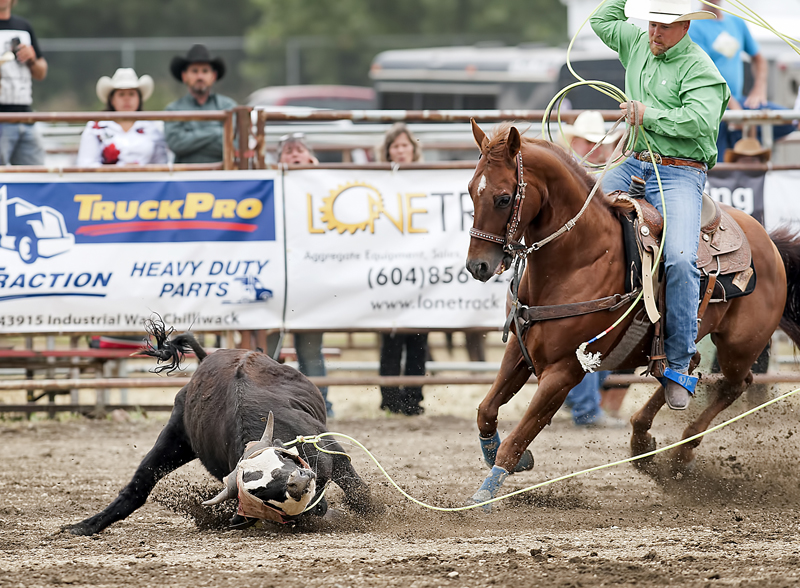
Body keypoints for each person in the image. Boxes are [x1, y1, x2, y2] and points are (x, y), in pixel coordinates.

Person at [591, 0, 730, 410]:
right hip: (633, 163)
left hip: (679, 173)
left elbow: (701, 123)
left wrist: (647, 114)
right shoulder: (636, 41)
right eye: (652, 23)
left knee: (682, 258)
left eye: (665, 26)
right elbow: (602, 19)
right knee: (574, 214)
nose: (655, 33)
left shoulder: (702, 69)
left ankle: (680, 362)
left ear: (686, 25)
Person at [558, 111, 626, 428]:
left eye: (602, 141)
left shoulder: (594, 173)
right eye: (591, 141)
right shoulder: (570, 174)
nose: (597, 147)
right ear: (577, 142)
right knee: (590, 336)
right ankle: (584, 407)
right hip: (575, 272)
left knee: (604, 336)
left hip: (588, 268)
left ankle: (577, 400)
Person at [266, 133, 332, 418]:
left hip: (308, 282)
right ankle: (266, 405)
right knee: (268, 352)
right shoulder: (270, 184)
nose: (293, 155)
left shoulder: (322, 186)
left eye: (299, 150)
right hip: (277, 281)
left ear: (310, 158)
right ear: (279, 160)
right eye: (288, 151)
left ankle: (320, 408)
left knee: (310, 352)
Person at [689, 0, 796, 160]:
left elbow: (759, 59)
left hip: (739, 103)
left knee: (790, 121)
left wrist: (759, 89)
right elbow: (707, 74)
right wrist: (734, 107)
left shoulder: (736, 22)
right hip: (714, 108)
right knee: (719, 163)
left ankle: (754, 149)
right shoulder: (694, 26)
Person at [376, 123, 427, 416]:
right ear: (388, 151)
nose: (400, 150)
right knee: (391, 336)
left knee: (419, 338)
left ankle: (413, 399)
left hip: (421, 267)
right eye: (395, 146)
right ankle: (391, 398)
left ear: (413, 149)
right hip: (390, 267)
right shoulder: (381, 181)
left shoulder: (427, 179)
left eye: (404, 145)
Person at [76, 68, 167, 167]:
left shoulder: (151, 127)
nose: (126, 99)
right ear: (112, 100)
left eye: (131, 94)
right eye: (121, 94)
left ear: (139, 99)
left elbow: (161, 164)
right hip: (106, 181)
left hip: (145, 181)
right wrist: (117, 170)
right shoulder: (96, 127)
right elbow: (86, 163)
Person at [165, 44, 237, 164]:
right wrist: (217, 132)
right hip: (185, 179)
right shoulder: (173, 109)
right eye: (194, 71)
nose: (200, 76)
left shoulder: (228, 106)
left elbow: (235, 144)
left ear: (213, 76)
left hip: (222, 177)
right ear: (184, 76)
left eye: (205, 71)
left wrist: (191, 142)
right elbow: (176, 145)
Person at [0, 0, 47, 165]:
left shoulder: (24, 26)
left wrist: (32, 58)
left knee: (35, 178)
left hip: (25, 116)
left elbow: (41, 72)